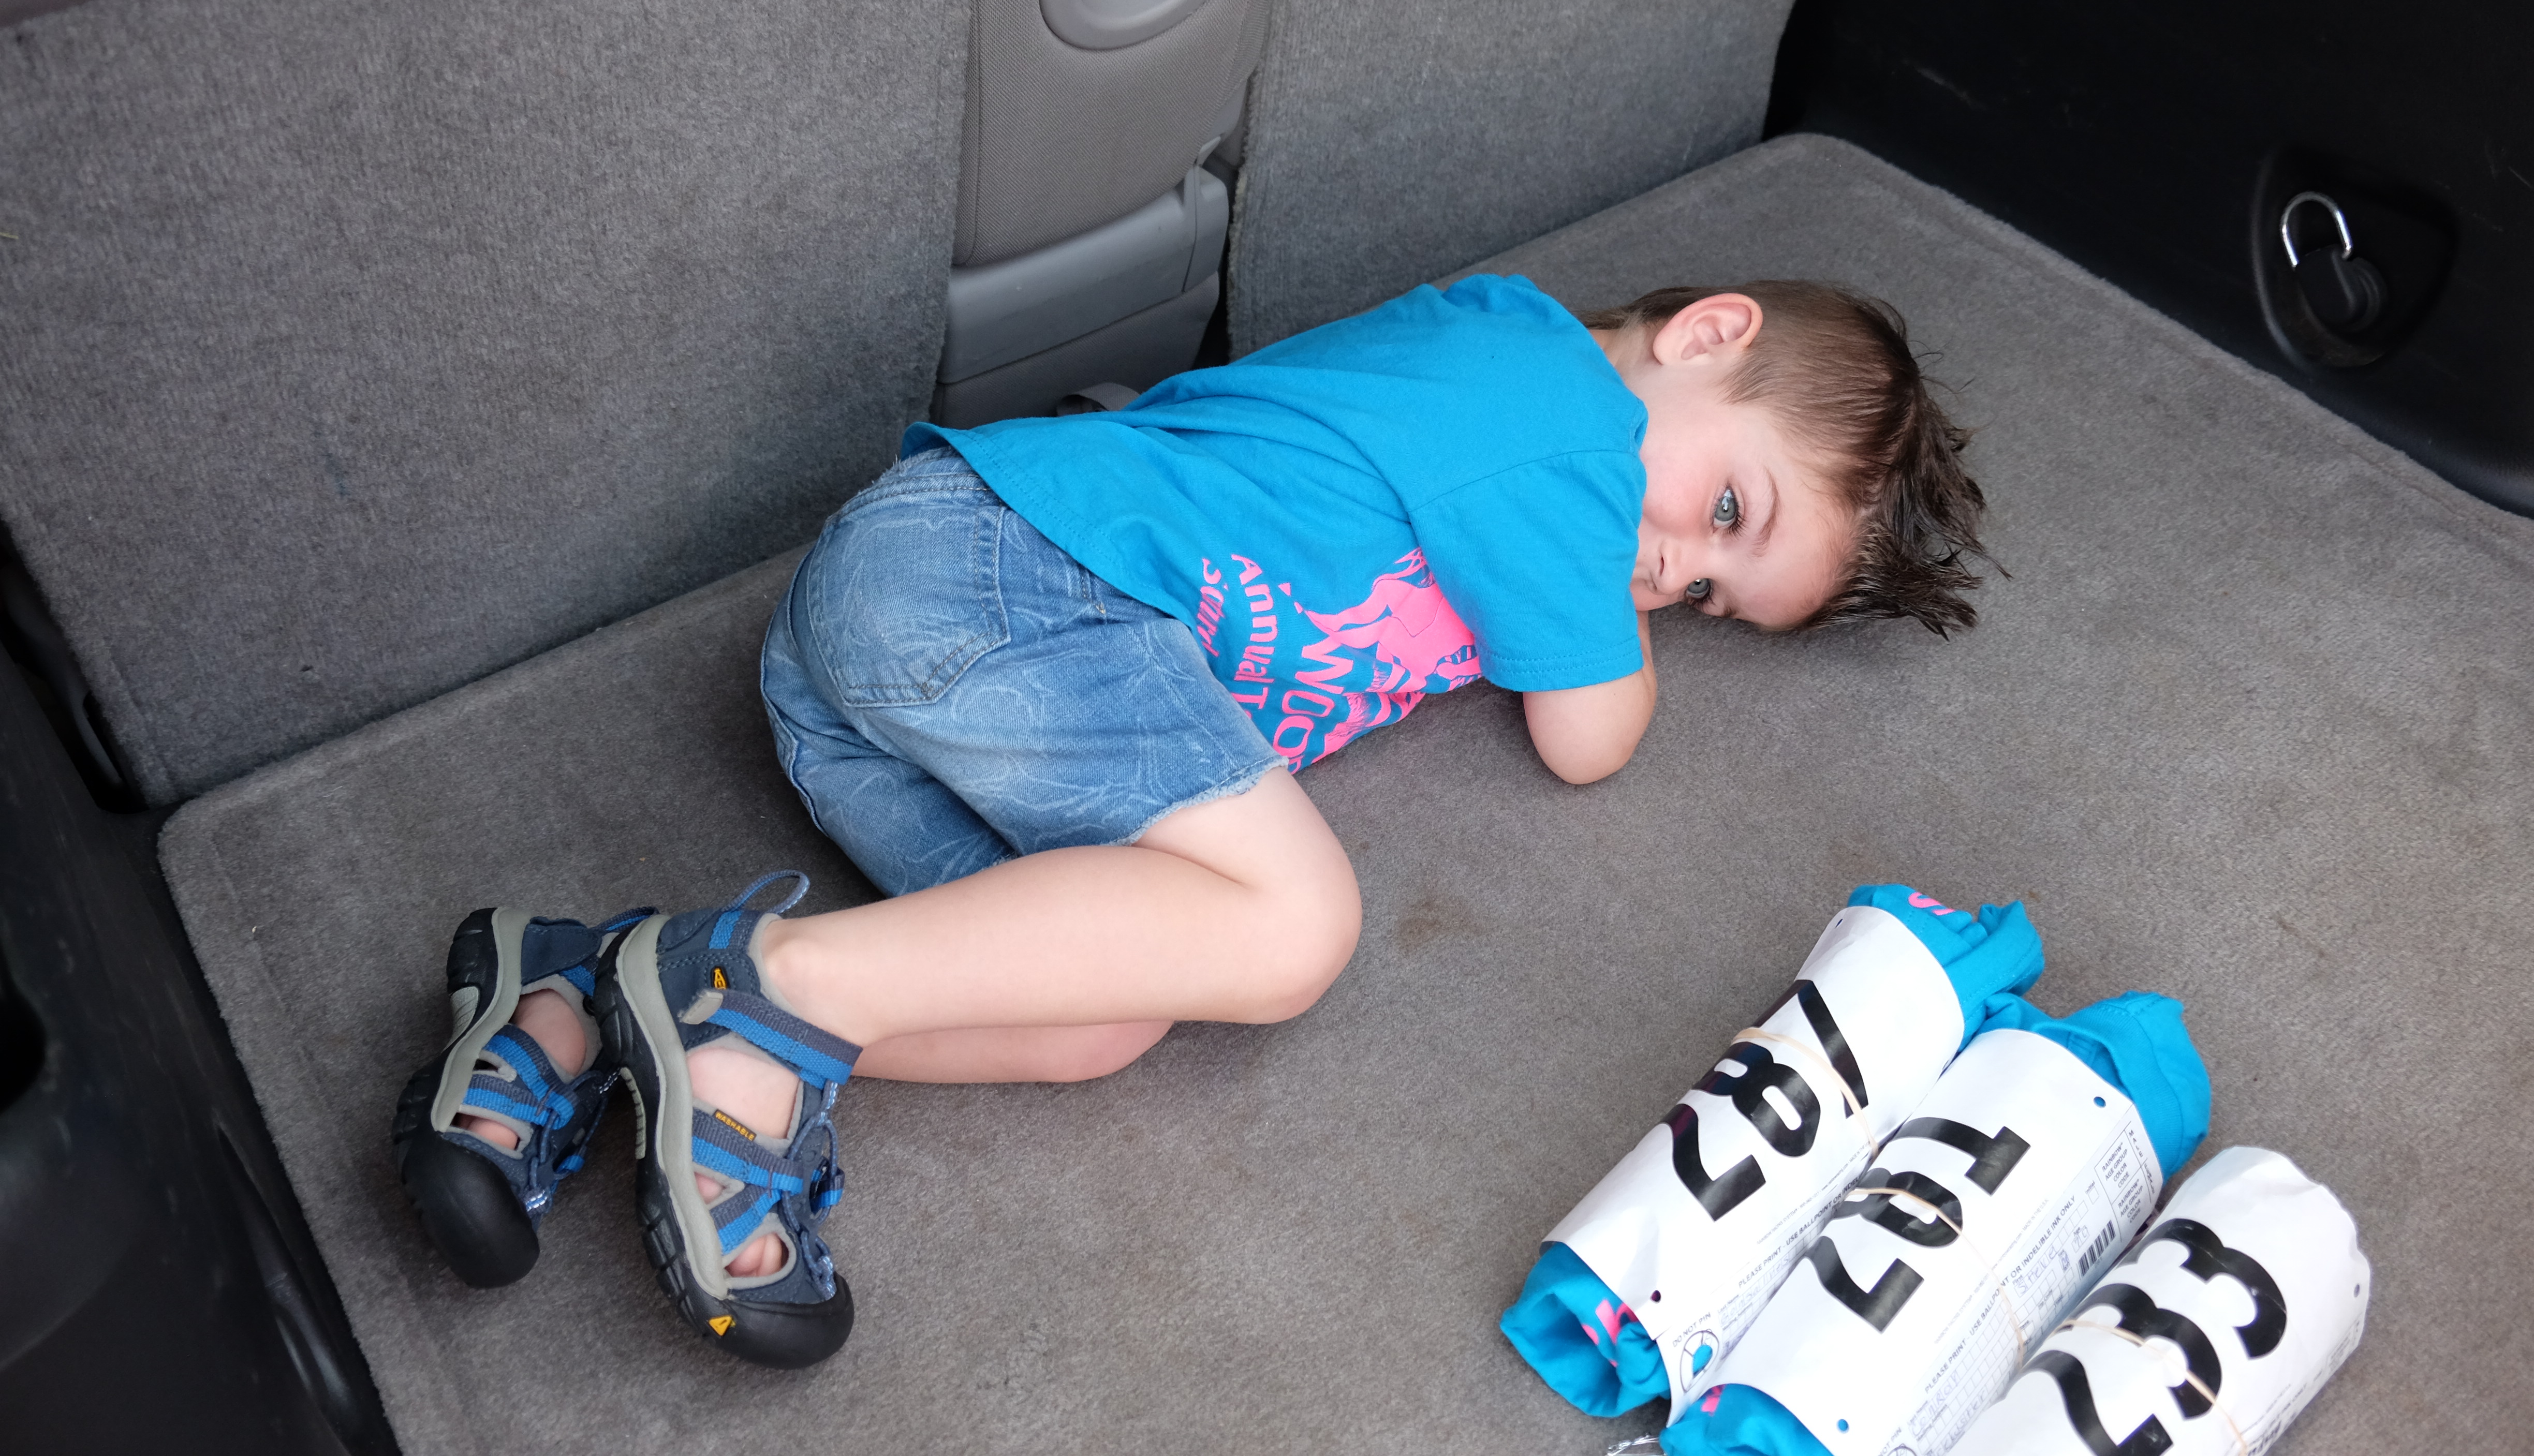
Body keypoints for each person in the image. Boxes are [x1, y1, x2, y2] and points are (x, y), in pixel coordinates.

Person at [390, 273, 1990, 1368]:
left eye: (1709, 598)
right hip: (1004, 570)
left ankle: (603, 987)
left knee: (1103, 1016)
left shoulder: (1554, 480)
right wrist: (1628, 620)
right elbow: (1593, 734)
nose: (1670, 570)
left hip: (908, 688)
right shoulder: (1553, 400)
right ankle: (767, 1000)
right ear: (1705, 334)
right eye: (1727, 512)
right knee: (1298, 928)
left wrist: (1682, 551)